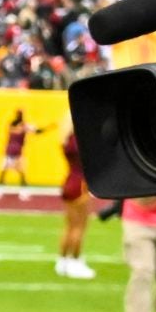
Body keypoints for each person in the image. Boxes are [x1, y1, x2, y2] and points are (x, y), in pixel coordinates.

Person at [54, 116, 96, 279]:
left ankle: (62, 261)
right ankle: (75, 261)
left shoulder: (67, 139)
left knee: (69, 226)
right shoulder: (83, 142)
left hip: (69, 180)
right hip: (80, 184)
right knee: (80, 226)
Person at [0, 107, 32, 199]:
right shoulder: (13, 124)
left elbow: (37, 131)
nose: (19, 116)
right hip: (9, 152)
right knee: (3, 172)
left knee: (22, 173)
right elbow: (14, 130)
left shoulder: (25, 126)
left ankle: (24, 192)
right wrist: (24, 128)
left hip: (18, 153)